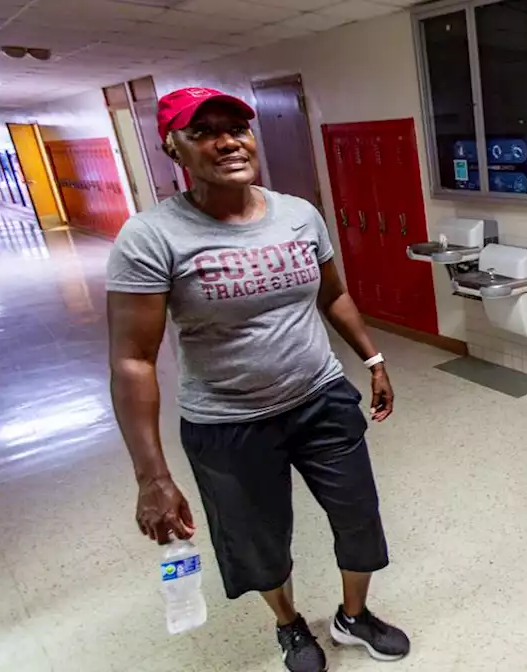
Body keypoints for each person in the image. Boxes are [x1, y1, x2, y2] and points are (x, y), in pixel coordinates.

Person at [107, 87, 409, 672]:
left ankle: (354, 616)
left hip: (320, 397)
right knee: (259, 542)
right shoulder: (151, 237)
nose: (227, 141)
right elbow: (132, 360)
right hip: (227, 423)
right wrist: (152, 477)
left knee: (359, 518)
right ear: (174, 149)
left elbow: (335, 294)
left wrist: (373, 360)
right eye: (203, 132)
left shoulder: (298, 214)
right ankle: (290, 625)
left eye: (236, 127)